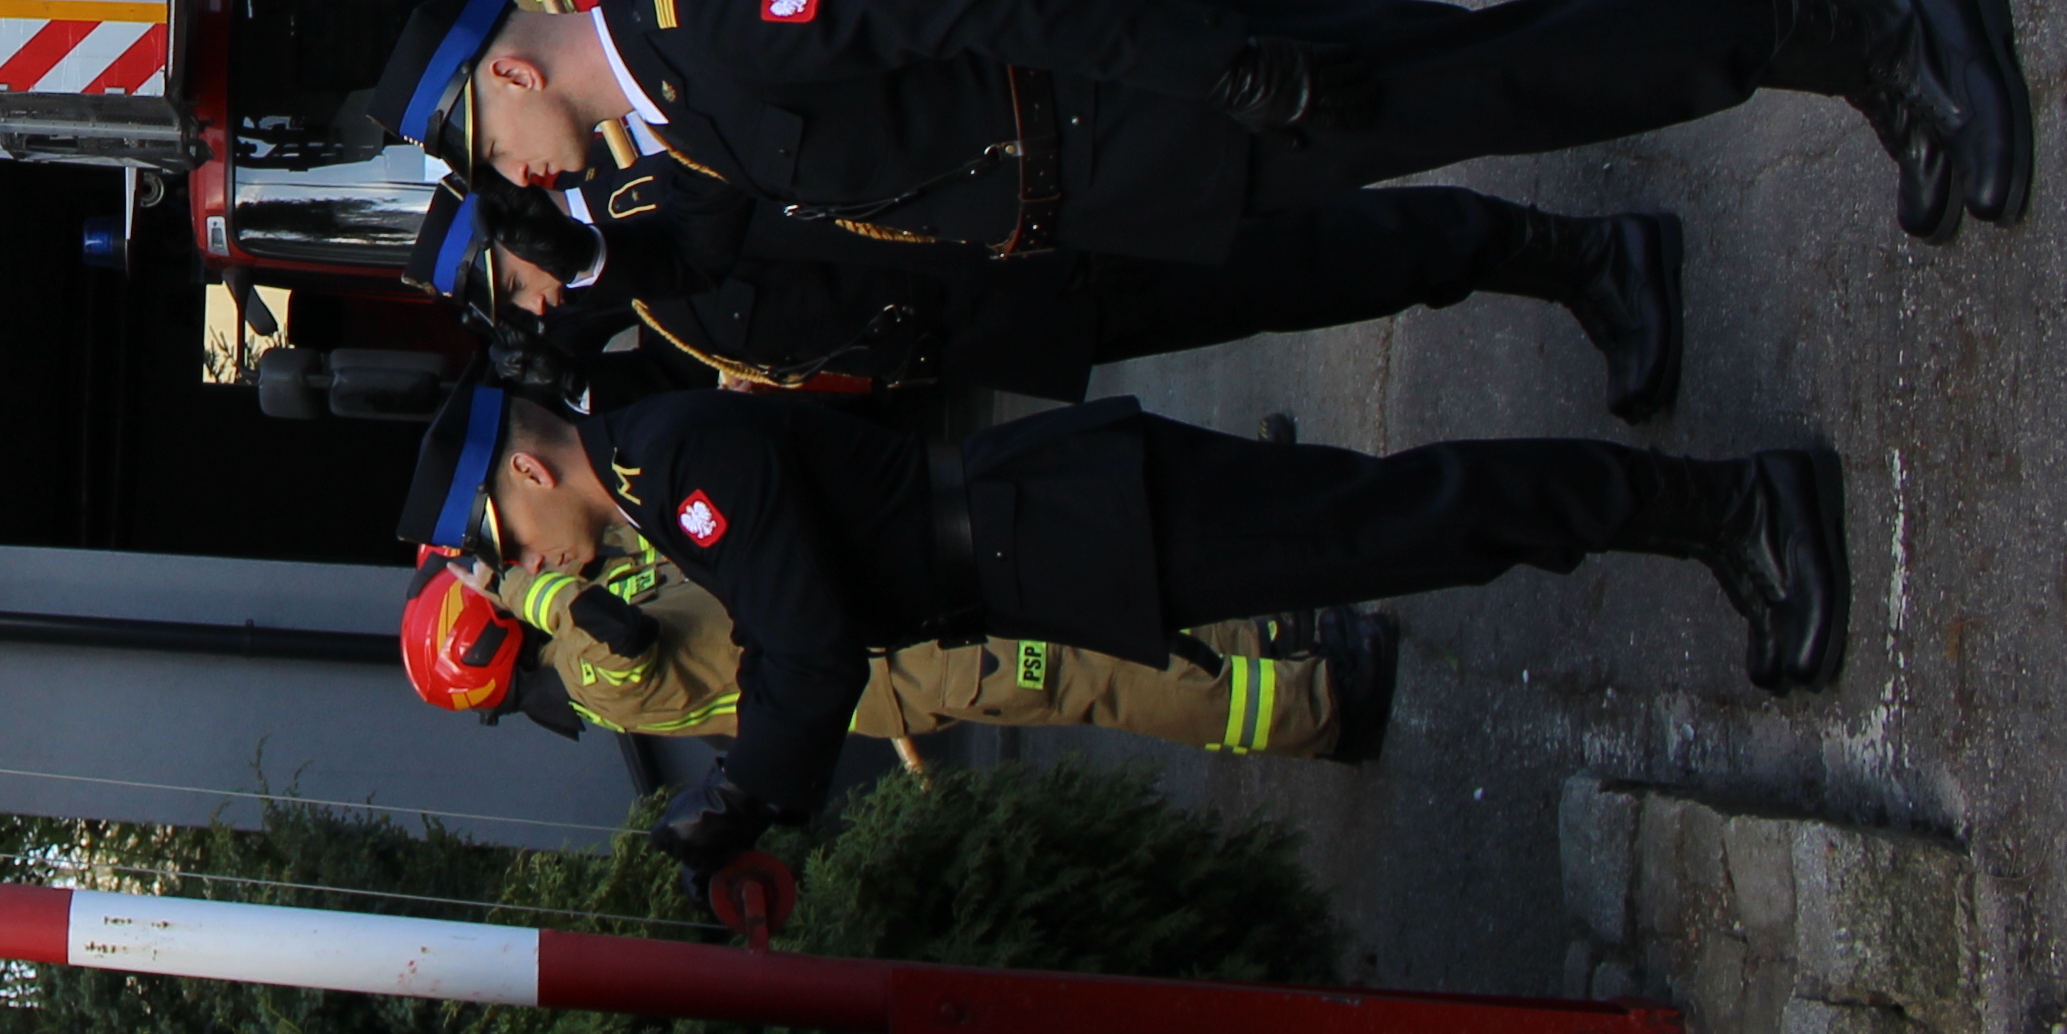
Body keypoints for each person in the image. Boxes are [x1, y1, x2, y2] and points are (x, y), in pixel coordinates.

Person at [409, 379, 1853, 932]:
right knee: (1401, 521)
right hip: (1055, 534)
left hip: (1061, 530)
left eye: (507, 542)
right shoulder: (649, 474)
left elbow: (809, 639)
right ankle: (1710, 513)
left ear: (528, 479)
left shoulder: (667, 467)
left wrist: (743, 801)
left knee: (1408, 520)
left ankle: (1725, 508)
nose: (527, 567)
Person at [442, 0, 2037, 253]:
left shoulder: (711, 25)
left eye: (486, 144)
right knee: (1508, 78)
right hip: (1161, 158)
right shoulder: (679, 110)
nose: (517, 173)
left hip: (1175, 98)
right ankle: (1854, 53)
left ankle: (1881, 43)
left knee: (1513, 81)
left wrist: (1230, 70)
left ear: (508, 71)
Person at [452, 157, 1690, 424]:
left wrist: (598, 267)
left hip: (1027, 257)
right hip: (1017, 319)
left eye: (514, 289)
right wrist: (586, 387)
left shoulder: (639, 208)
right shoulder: (633, 301)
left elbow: (793, 227)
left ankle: (1576, 256)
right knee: (1301, 285)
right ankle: (1545, 268)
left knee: (1301, 246)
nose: (534, 313)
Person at [409, 533, 1390, 765]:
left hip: (875, 628)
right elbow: (623, 629)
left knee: (1086, 617)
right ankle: (1321, 710)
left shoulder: (578, 613)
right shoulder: (584, 668)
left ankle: (1272, 645)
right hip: (891, 670)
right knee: (1090, 675)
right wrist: (519, 585)